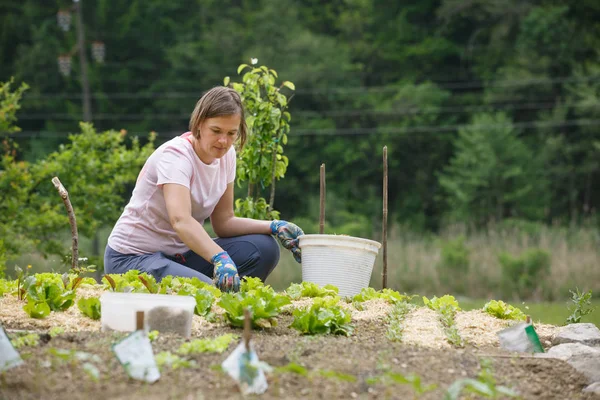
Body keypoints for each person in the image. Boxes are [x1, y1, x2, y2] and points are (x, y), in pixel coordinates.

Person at [104, 86, 304, 292]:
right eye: (216, 131)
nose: (223, 141)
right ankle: (223, 302)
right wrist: (220, 257)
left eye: (231, 133)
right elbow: (180, 220)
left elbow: (224, 222)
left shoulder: (226, 156)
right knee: (208, 292)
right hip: (133, 258)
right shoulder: (176, 157)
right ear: (199, 125)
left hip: (181, 255)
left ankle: (236, 305)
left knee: (265, 248)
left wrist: (274, 226)